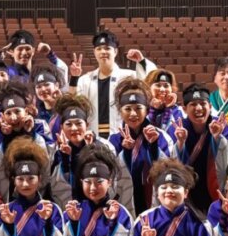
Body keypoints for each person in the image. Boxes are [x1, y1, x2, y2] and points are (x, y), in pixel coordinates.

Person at [49, 93, 134, 211]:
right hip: (74, 211)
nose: (74, 128)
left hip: (103, 209)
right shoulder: (57, 152)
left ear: (87, 125)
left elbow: (114, 182)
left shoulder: (104, 145)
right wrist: (65, 158)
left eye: (78, 123)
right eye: (68, 124)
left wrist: (91, 149)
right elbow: (58, 188)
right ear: (62, 127)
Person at [69, 31, 156, 138]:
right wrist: (74, 78)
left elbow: (149, 84)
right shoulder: (85, 80)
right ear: (94, 52)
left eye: (107, 48)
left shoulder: (129, 76)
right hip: (93, 136)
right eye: (99, 49)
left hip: (123, 136)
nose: (103, 52)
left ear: (115, 51)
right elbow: (74, 103)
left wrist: (141, 61)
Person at [107, 78, 173, 215]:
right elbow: (111, 179)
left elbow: (169, 173)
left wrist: (153, 146)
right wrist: (126, 152)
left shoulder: (161, 137)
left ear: (147, 110)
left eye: (138, 108)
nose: (133, 114)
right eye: (127, 109)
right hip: (124, 205)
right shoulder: (113, 140)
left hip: (155, 204)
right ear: (120, 111)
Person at [174, 84, 228, 214]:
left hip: (215, 187)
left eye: (203, 103)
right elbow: (171, 163)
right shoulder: (177, 128)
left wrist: (217, 138)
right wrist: (180, 143)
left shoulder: (221, 125)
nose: (198, 108)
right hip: (188, 190)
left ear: (210, 107)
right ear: (184, 109)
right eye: (193, 104)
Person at [1, 29, 68, 85]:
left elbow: (62, 80)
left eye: (27, 49)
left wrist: (50, 55)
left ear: (33, 51)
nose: (24, 53)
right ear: (11, 52)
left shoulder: (40, 72)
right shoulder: (6, 73)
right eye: (20, 49)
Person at [146, 69, 183, 140]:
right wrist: (153, 110)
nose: (162, 89)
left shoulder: (178, 112)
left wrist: (168, 109)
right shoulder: (141, 109)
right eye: (158, 85)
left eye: (166, 86)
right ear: (148, 88)